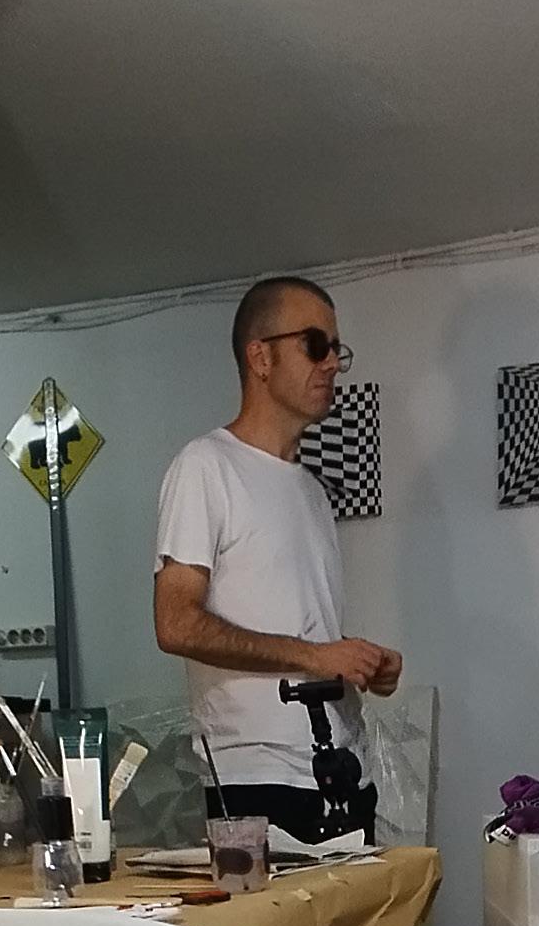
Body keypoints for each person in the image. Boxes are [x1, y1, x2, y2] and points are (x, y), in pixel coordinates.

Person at [152, 276, 405, 844]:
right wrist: (318, 656)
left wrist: (357, 662)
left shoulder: (311, 490)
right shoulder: (205, 467)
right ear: (260, 357)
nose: (332, 363)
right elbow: (176, 623)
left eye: (336, 348)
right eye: (315, 345)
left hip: (340, 769)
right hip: (257, 780)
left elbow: (298, 625)